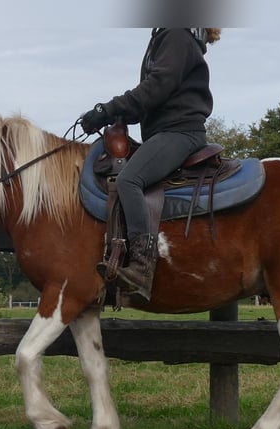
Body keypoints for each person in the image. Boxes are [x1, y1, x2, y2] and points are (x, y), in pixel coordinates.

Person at [80, 27, 221, 301]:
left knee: (129, 180)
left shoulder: (176, 34)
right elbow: (150, 99)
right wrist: (116, 113)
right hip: (166, 131)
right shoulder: (169, 35)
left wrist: (105, 109)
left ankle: (142, 267)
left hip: (179, 132)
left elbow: (157, 87)